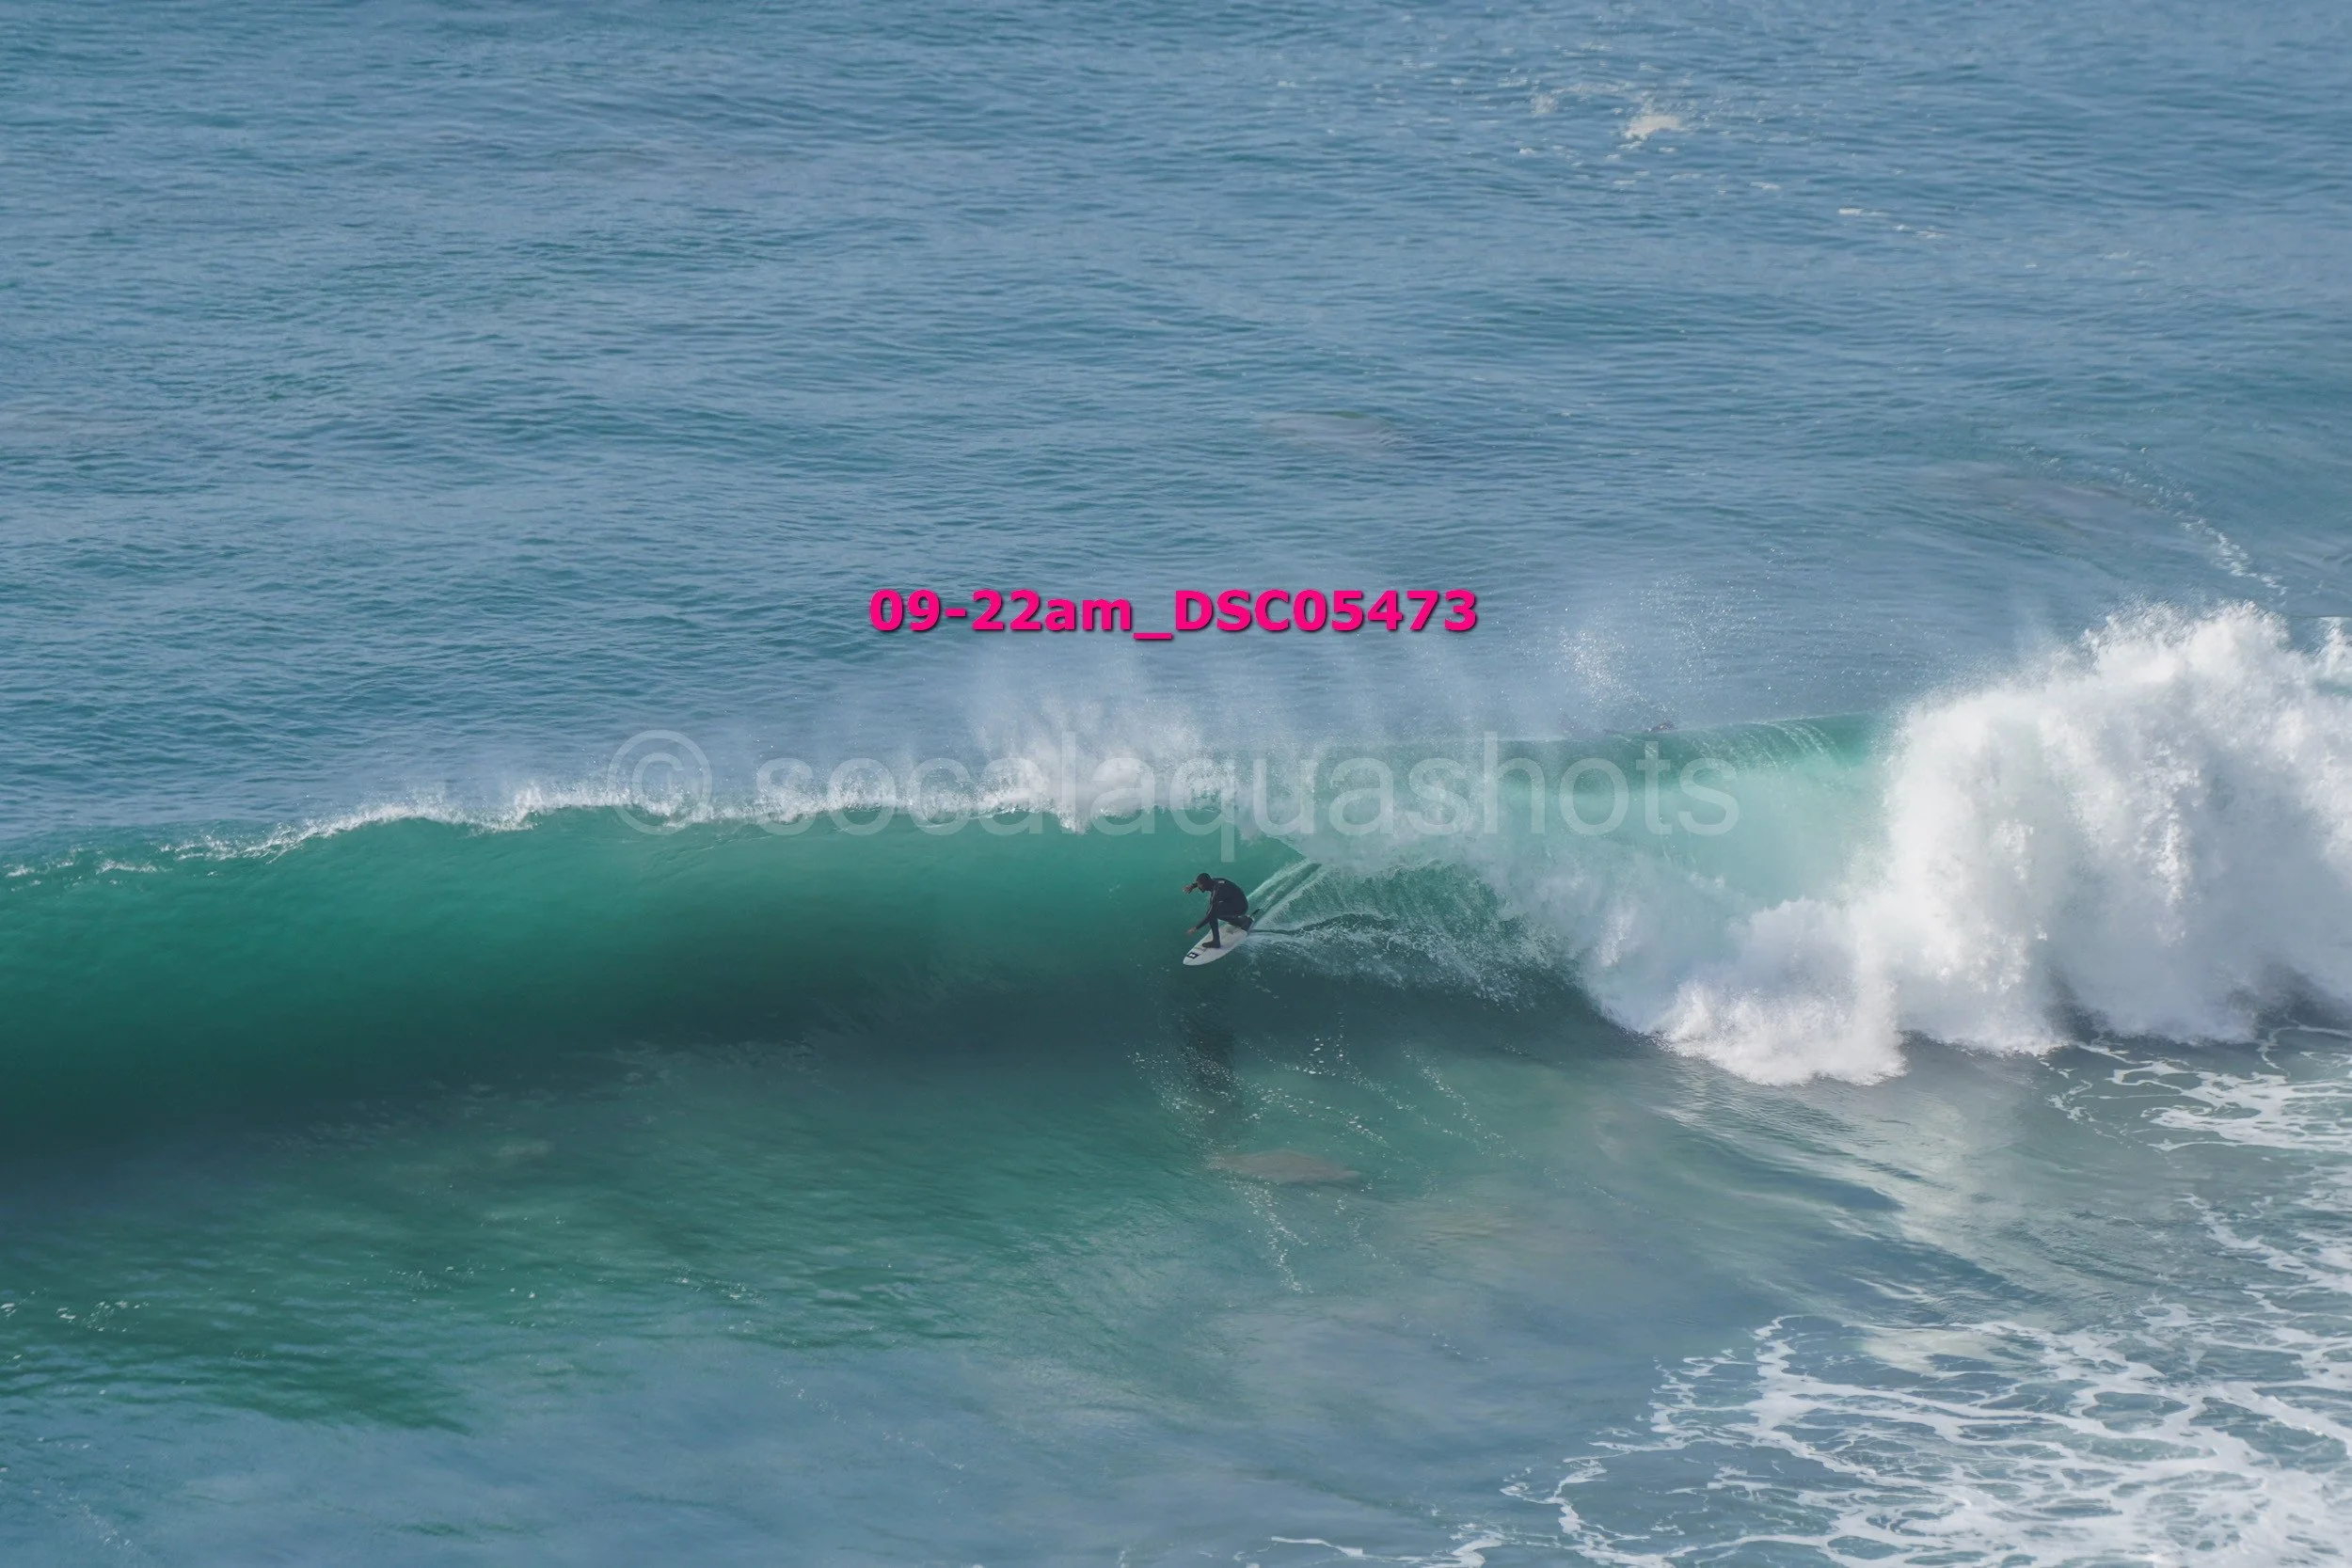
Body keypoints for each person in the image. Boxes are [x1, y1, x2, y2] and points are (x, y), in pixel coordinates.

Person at [1185, 872, 1252, 948]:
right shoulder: (1216, 881)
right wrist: (1193, 885)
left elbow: (1211, 914)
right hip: (1240, 902)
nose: (1199, 886)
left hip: (1240, 908)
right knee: (1216, 911)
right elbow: (1207, 882)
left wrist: (1196, 928)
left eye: (1200, 884)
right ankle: (1239, 922)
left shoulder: (1216, 893)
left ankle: (1216, 942)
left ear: (1205, 884)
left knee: (1212, 914)